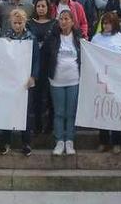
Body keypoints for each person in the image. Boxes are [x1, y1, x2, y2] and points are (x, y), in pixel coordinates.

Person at [91, 13, 121, 154]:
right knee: (103, 110)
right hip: (101, 80)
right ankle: (103, 141)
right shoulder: (96, 38)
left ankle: (117, 142)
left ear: (115, 24)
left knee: (116, 111)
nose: (106, 25)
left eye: (109, 23)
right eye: (104, 23)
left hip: (117, 81)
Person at [1, 9, 40, 156]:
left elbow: (36, 59)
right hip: (10, 79)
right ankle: (6, 142)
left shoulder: (31, 38)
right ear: (11, 22)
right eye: (15, 23)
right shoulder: (6, 37)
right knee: (8, 111)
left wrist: (33, 76)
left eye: (20, 22)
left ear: (25, 22)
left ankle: (26, 142)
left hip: (25, 81)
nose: (17, 25)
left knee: (26, 112)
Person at [44, 10, 81, 156]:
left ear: (72, 21)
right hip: (56, 80)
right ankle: (59, 141)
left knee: (71, 113)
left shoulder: (78, 38)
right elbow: (46, 58)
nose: (64, 22)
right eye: (61, 19)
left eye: (66, 19)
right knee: (59, 112)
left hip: (74, 80)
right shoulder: (52, 38)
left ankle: (69, 140)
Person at [28, 0, 56, 134]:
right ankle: (37, 125)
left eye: (43, 6)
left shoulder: (54, 23)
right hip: (34, 63)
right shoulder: (29, 23)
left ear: (48, 7)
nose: (40, 9)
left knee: (50, 96)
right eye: (38, 6)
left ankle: (50, 125)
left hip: (49, 63)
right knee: (37, 96)